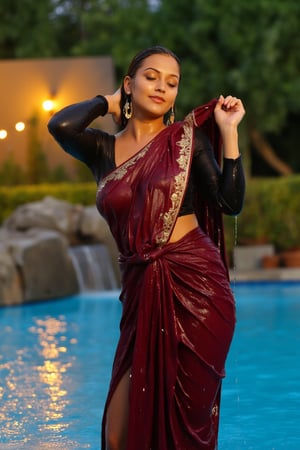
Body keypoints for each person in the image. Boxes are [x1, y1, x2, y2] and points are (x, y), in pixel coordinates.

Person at [48, 45, 245, 450]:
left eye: (172, 83)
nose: (161, 88)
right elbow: (61, 127)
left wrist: (228, 131)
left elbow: (229, 202)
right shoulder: (102, 149)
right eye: (151, 76)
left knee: (185, 423)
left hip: (199, 291)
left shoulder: (187, 141)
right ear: (129, 83)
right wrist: (106, 102)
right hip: (140, 293)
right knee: (118, 434)